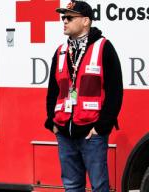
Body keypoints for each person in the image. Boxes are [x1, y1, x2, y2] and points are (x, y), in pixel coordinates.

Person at [44, 0, 123, 191]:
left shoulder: (104, 47)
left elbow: (115, 92)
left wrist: (101, 127)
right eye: (63, 17)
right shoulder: (61, 51)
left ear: (86, 21)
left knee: (99, 186)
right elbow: (52, 91)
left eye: (69, 17)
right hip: (64, 131)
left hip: (92, 133)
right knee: (71, 186)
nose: (64, 21)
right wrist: (53, 123)